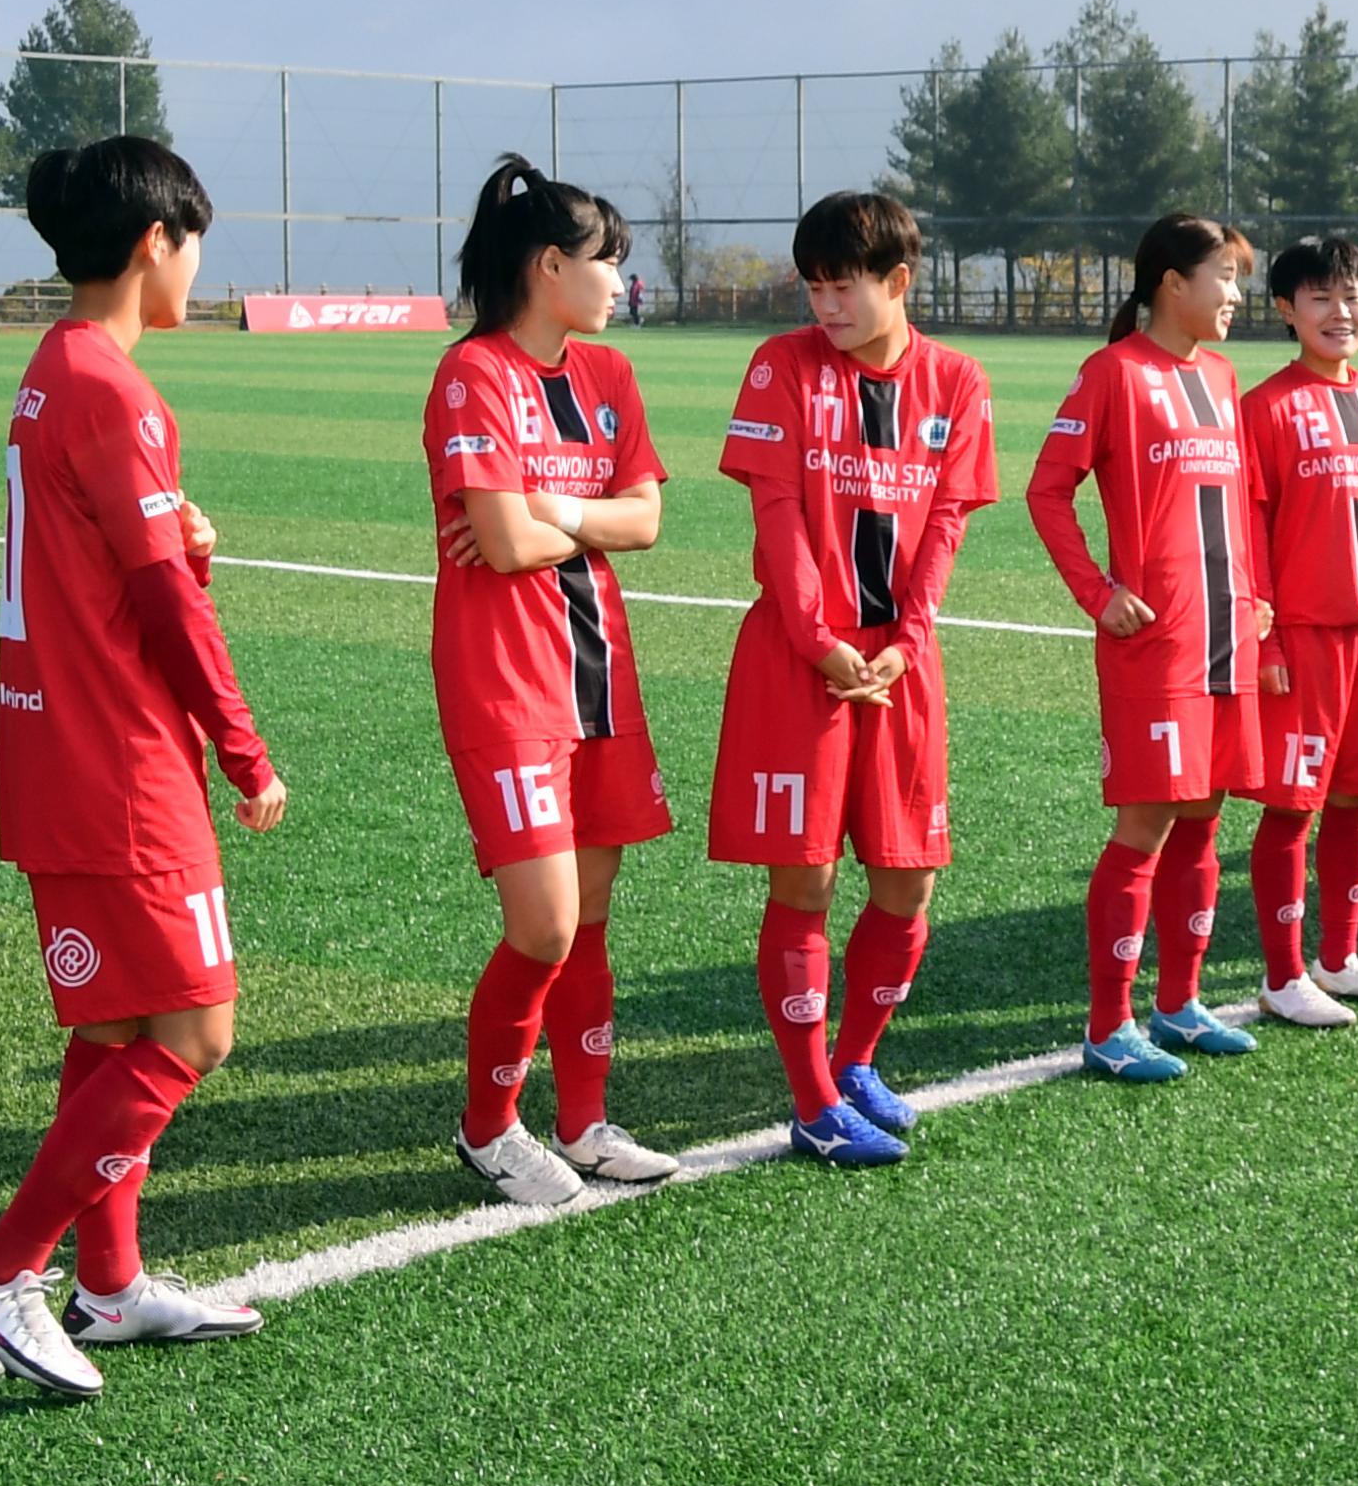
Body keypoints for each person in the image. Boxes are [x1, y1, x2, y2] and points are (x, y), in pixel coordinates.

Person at [0, 137, 287, 1398]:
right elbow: (162, 609)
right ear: (157, 242)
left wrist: (183, 550)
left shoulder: (56, 367)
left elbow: (121, 568)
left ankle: (111, 1280)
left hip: (60, 741)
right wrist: (244, 747)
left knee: (118, 1023)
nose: (199, 266)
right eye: (195, 241)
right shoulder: (116, 389)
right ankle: (2, 1271)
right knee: (196, 1029)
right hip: (120, 757)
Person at [714, 189, 998, 1153]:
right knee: (807, 883)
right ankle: (811, 1104)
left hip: (899, 664)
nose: (824, 306)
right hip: (803, 662)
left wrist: (905, 644)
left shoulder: (958, 381)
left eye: (844, 287)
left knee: (907, 882)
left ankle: (858, 1060)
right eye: (814, 287)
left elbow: (947, 524)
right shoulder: (780, 367)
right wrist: (822, 643)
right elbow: (779, 519)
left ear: (900, 283)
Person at [425, 156, 680, 1206]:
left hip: (599, 675)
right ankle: (489, 1129)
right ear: (548, 267)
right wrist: (555, 518)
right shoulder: (472, 374)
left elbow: (646, 520)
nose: (621, 279)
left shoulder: (609, 379)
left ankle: (582, 1121)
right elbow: (494, 535)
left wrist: (557, 513)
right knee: (544, 923)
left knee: (594, 914)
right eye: (607, 259)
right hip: (505, 683)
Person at [1031, 213, 1284, 1077]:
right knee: (1145, 826)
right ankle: (1109, 1026)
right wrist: (1098, 594)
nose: (1236, 296)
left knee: (1205, 821)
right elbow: (1047, 491)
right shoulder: (1113, 373)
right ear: (1172, 283)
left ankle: (1178, 1004)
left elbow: (1242, 510)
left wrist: (1260, 604)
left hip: (1227, 637)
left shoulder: (1220, 374)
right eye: (1225, 276)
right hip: (1158, 645)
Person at [1237, 236, 1358, 1024]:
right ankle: (1282, 976)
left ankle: (1340, 957)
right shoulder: (1265, 407)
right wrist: (1268, 639)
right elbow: (1249, 533)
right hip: (1307, 639)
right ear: (1287, 311)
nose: (1340, 311)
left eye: (1352, 295)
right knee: (1292, 806)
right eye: (1320, 298)